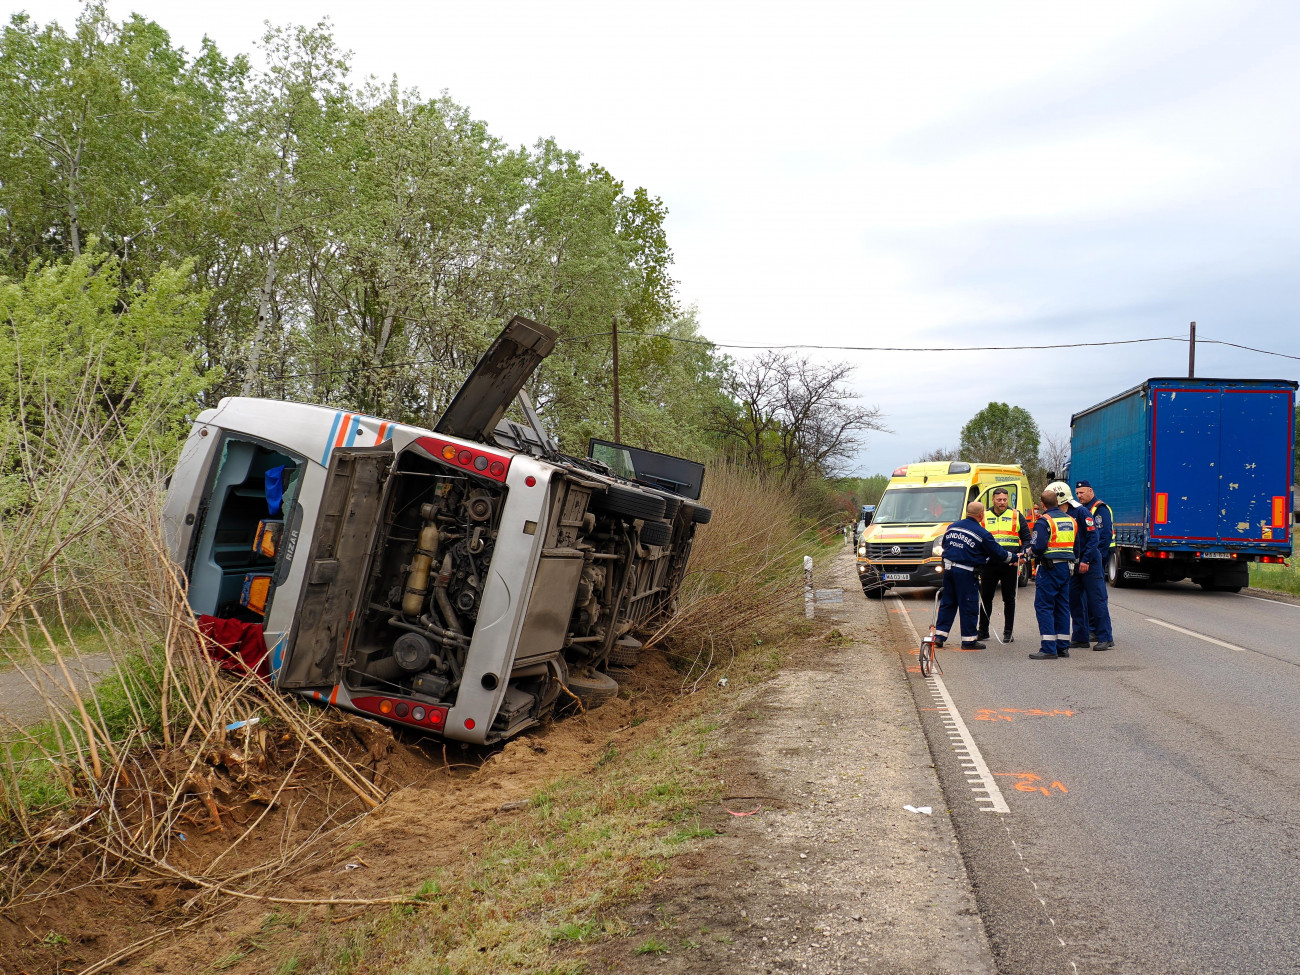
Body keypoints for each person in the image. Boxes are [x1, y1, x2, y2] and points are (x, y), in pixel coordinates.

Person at [933, 501, 1018, 651]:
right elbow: (999, 553)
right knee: (969, 604)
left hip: (948, 569)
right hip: (965, 572)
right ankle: (969, 640)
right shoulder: (982, 533)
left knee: (948, 602)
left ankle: (939, 637)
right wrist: (1015, 557)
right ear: (981, 515)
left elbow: (945, 545)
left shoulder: (952, 527)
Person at [1028, 486, 1077, 659]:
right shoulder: (1071, 520)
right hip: (1066, 567)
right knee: (1062, 605)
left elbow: (1038, 547)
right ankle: (1062, 646)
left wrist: (1030, 551)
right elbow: (1075, 545)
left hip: (1049, 568)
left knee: (1044, 606)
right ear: (1058, 502)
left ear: (1042, 504)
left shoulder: (1044, 521)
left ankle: (1048, 648)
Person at [977, 487, 1031, 643]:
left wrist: (1023, 555)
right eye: (999, 499)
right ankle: (983, 631)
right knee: (986, 598)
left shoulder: (1016, 515)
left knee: (1009, 599)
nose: (1002, 502)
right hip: (989, 564)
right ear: (993, 499)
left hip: (1010, 564)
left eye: (1005, 500)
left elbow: (1027, 539)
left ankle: (1008, 632)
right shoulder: (984, 516)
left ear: (1008, 500)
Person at [1071, 480, 1114, 650]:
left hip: (1094, 560)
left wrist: (1096, 560)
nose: (1079, 495)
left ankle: (1105, 636)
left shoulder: (1099, 508)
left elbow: (1103, 538)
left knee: (1097, 600)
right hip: (1083, 560)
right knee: (1081, 601)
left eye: (1082, 492)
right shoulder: (1081, 510)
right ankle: (1085, 634)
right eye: (1077, 493)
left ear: (1091, 491)